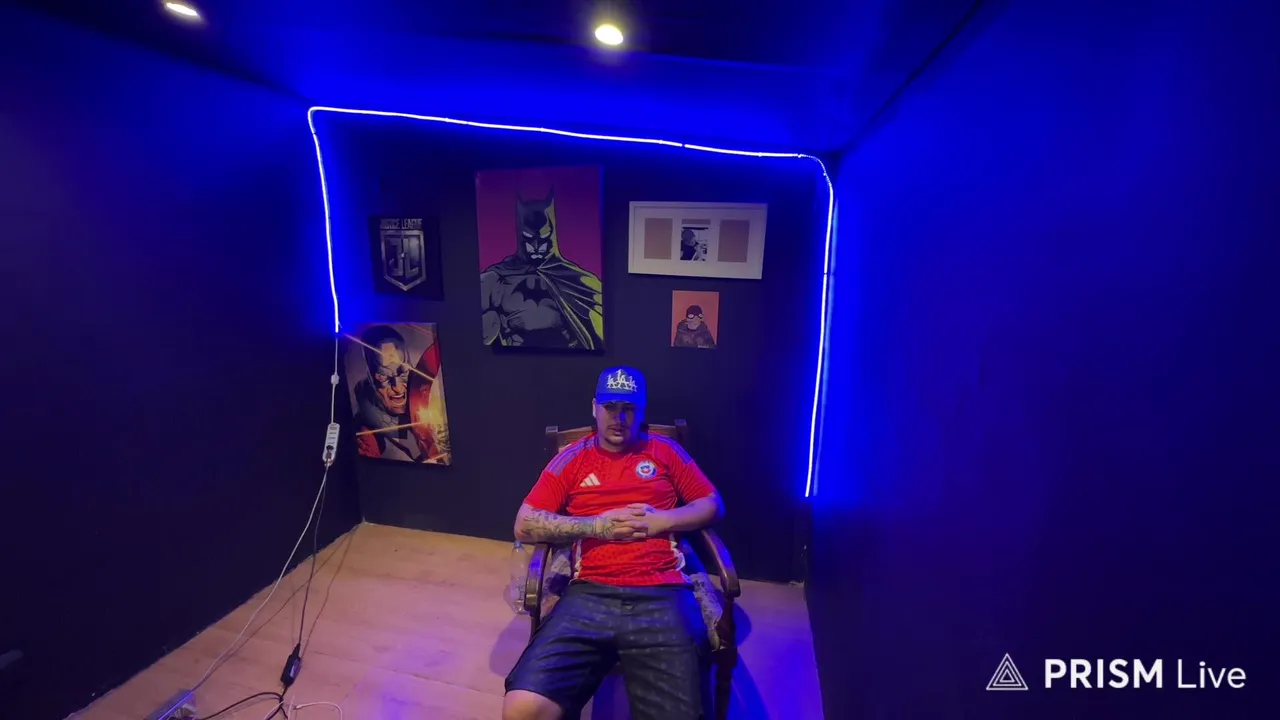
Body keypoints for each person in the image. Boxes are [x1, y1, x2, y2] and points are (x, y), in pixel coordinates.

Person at [503, 366, 725, 720]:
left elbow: (712, 503)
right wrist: (598, 526)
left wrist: (662, 520)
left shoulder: (665, 450)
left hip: (662, 593)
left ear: (642, 410)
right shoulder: (572, 457)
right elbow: (524, 524)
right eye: (610, 407)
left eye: (629, 408)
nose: (619, 418)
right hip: (590, 592)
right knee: (522, 710)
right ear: (594, 407)